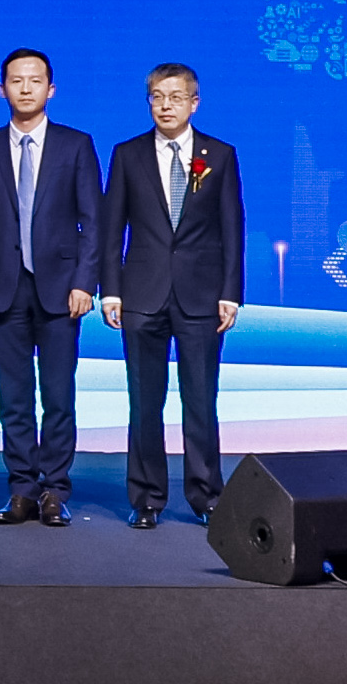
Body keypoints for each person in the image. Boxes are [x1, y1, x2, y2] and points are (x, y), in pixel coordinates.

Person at [105, 60, 245, 529]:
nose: (166, 106)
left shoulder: (219, 155)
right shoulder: (127, 154)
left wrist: (231, 292)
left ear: (194, 103)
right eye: (157, 98)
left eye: (176, 98)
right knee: (145, 403)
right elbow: (111, 229)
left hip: (202, 297)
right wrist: (111, 291)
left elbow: (232, 227)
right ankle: (146, 498)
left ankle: (207, 496)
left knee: (200, 401)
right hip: (141, 295)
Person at [0, 46, 101, 527]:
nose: (26, 88)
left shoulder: (75, 145)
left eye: (35, 80)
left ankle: (55, 489)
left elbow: (93, 221)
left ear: (51, 89)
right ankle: (22, 488)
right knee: (14, 398)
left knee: (58, 396)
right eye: (16, 81)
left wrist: (85, 282)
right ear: (2, 89)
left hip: (62, 289)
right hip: (1, 288)